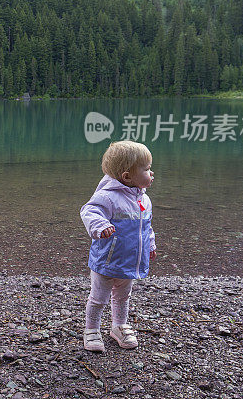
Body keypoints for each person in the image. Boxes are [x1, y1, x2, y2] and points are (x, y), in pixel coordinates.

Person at [80, 140, 156, 352]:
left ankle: (119, 326)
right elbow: (89, 211)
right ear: (127, 176)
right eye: (147, 169)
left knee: (123, 296)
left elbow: (146, 226)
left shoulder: (144, 200)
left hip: (129, 261)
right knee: (98, 298)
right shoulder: (108, 196)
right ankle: (92, 329)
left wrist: (150, 244)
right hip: (106, 260)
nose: (151, 174)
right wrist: (101, 225)